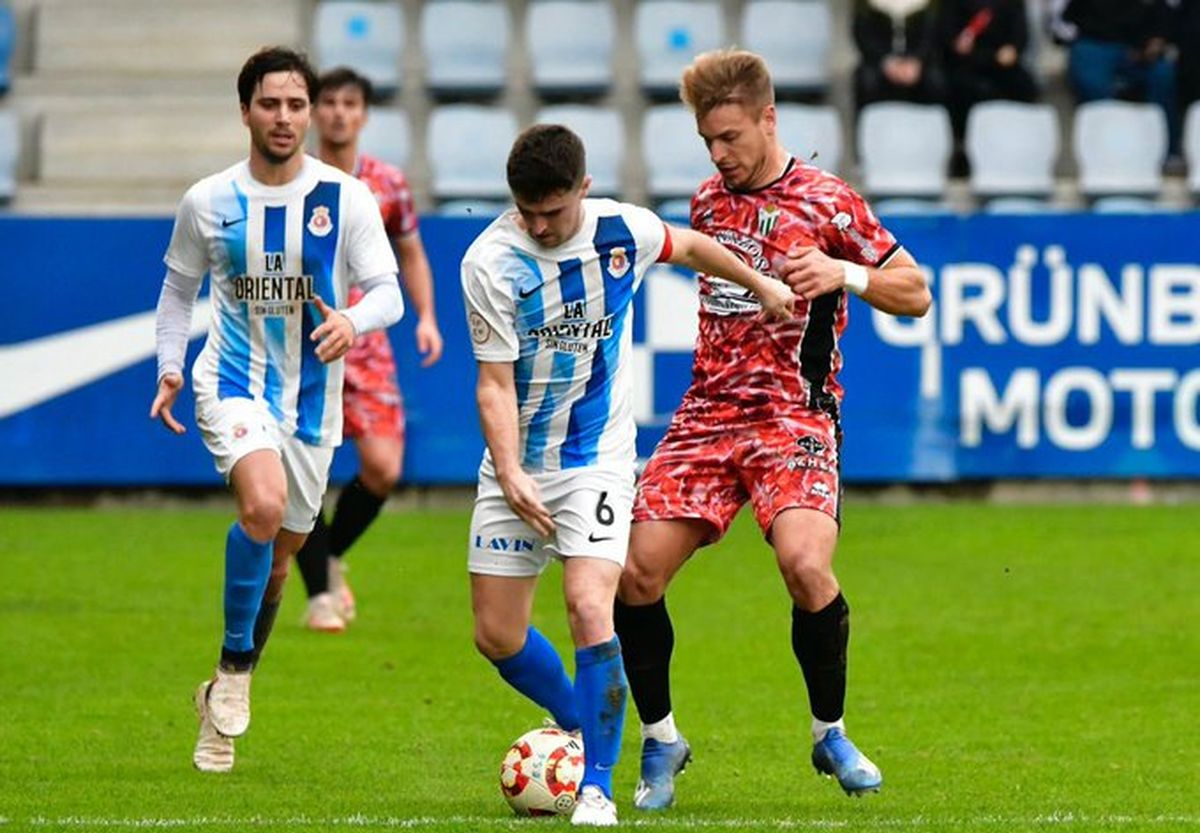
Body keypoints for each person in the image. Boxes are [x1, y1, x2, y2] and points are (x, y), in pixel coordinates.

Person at [614, 48, 932, 811]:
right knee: (634, 574)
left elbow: (916, 290)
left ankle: (830, 732)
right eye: (707, 141)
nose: (718, 154)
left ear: (768, 118)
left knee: (805, 564)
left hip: (794, 414)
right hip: (707, 416)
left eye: (730, 137)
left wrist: (845, 272)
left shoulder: (828, 201)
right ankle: (661, 739)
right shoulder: (706, 202)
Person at [461, 124, 795, 826]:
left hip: (597, 461)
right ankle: (581, 721)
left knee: (590, 605)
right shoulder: (490, 262)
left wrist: (760, 281)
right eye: (527, 211)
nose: (539, 226)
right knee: (496, 634)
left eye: (553, 211)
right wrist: (511, 471)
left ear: (583, 189)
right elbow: (493, 384)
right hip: (517, 465)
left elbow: (691, 246)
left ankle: (598, 788)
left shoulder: (622, 231)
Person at [150, 46, 404, 773]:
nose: (284, 117)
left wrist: (353, 320)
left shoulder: (345, 198)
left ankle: (221, 693)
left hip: (312, 404)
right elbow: (177, 293)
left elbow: (386, 291)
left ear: (309, 112)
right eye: (270, 104)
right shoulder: (208, 201)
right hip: (232, 381)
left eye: (296, 104)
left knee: (282, 561)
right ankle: (235, 670)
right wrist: (171, 366)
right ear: (246, 112)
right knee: (261, 508)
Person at [293, 67, 444, 633]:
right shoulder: (293, 178)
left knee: (382, 467)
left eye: (349, 103)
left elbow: (412, 253)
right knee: (302, 467)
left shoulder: (387, 183)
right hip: (301, 335)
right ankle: (320, 596)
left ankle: (329, 555)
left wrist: (426, 317)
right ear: (314, 111)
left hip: (365, 337)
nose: (338, 113)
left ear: (363, 114)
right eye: (328, 102)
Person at [1057, 0, 1181, 157]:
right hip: (1095, 42)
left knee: (1163, 73)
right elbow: (1066, 21)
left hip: (1138, 46)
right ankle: (1105, 148)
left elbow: (1164, 16)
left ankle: (1166, 149)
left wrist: (1156, 40)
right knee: (1093, 81)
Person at [939, 0, 1039, 140]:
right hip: (966, 65)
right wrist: (960, 46)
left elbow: (1020, 35)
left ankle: (1016, 138)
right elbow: (948, 37)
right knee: (965, 89)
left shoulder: (1012, 3)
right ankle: (967, 141)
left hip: (1003, 65)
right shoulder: (953, 4)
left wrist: (1013, 49)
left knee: (1025, 87)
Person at [853, 0, 947, 111]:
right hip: (881, 59)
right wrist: (888, 62)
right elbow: (863, 37)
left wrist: (916, 60)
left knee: (936, 80)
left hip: (917, 60)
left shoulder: (926, 6)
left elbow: (930, 37)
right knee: (867, 80)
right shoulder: (867, 6)